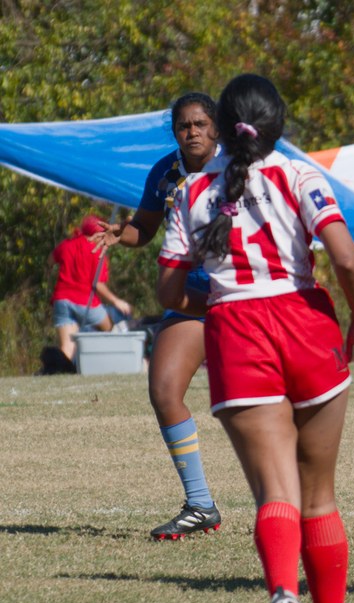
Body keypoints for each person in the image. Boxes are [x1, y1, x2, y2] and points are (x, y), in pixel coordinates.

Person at [158, 74, 354, 603]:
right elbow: (346, 258)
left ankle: (283, 592)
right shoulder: (299, 175)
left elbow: (169, 292)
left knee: (275, 492)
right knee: (319, 496)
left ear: (222, 128)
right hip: (304, 323)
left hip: (236, 331)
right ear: (276, 122)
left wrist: (218, 302)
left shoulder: (190, 191)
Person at [94, 93, 223, 540]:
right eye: (184, 126)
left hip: (245, 295)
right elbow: (144, 228)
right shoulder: (166, 173)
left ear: (216, 127)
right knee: (164, 389)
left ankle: (298, 499)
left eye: (200, 124)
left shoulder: (240, 168)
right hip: (191, 297)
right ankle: (200, 504)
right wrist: (123, 233)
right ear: (175, 132)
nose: (192, 132)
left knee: (269, 400)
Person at [49, 214, 132, 362]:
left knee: (67, 346)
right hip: (84, 300)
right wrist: (117, 302)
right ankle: (110, 361)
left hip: (61, 300)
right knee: (110, 328)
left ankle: (64, 369)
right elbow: (98, 285)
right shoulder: (97, 251)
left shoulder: (67, 244)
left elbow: (50, 261)